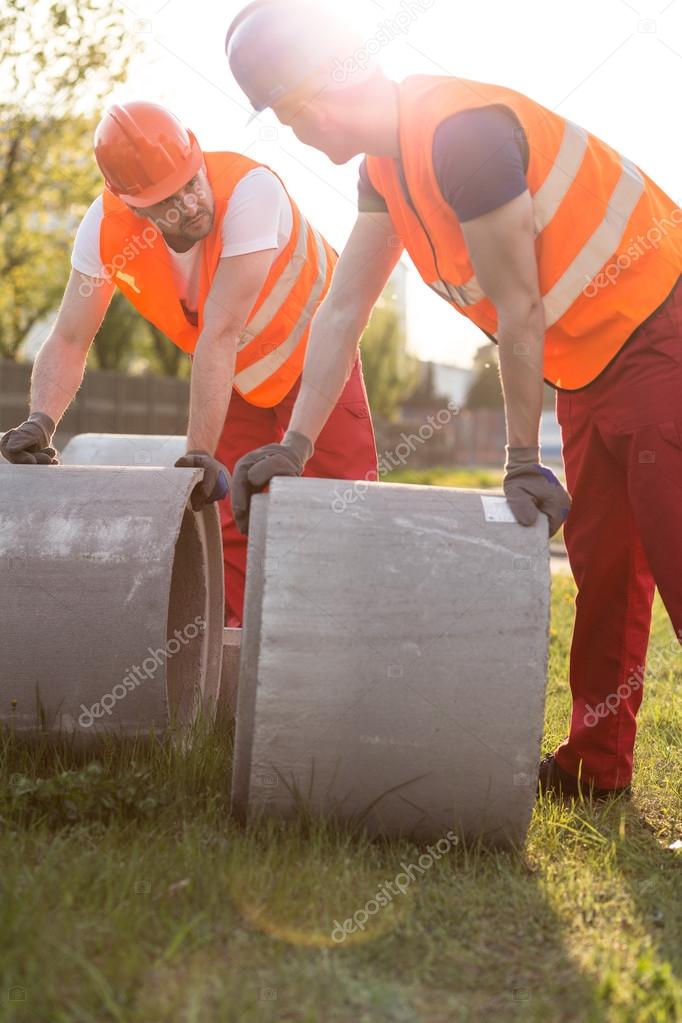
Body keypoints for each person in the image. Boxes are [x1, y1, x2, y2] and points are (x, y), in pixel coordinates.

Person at [224, 0, 682, 799]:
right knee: (604, 567)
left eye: (286, 115)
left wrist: (516, 457)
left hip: (662, 325)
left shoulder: (456, 133)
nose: (295, 133)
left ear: (310, 101)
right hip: (590, 363)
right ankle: (596, 767)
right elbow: (342, 309)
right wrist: (295, 444)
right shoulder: (385, 167)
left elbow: (519, 305)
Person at [0, 100, 378, 626]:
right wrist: (40, 422)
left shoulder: (250, 191)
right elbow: (68, 337)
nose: (191, 203)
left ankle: (344, 642)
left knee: (338, 504)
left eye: (191, 182)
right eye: (167, 200)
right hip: (234, 376)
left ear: (198, 154)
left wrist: (198, 452)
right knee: (223, 515)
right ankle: (230, 660)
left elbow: (220, 332)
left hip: (315, 360)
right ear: (130, 204)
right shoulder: (103, 231)